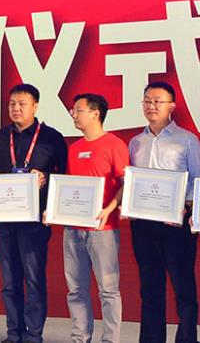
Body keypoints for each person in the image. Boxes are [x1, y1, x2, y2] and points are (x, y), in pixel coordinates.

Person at [0, 84, 68, 343]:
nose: (16, 108)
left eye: (22, 104)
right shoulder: (2, 136)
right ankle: (14, 333)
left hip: (34, 221)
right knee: (9, 281)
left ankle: (33, 335)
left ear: (35, 106)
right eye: (12, 104)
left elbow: (65, 176)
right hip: (4, 220)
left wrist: (46, 177)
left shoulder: (51, 137)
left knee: (33, 279)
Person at [127, 82, 200, 343]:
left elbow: (198, 180)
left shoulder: (187, 140)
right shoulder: (136, 142)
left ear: (172, 105)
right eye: (147, 101)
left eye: (158, 101)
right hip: (144, 225)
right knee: (150, 288)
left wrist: (186, 207)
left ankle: (187, 338)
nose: (152, 106)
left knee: (183, 288)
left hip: (176, 225)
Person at [61, 94, 127, 343]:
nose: (74, 114)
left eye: (78, 110)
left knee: (108, 290)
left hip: (103, 229)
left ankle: (110, 340)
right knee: (75, 289)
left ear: (95, 113)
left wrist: (109, 208)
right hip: (73, 229)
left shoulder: (114, 145)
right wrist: (55, 209)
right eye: (73, 110)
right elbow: (69, 188)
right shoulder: (74, 148)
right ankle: (80, 338)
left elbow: (126, 183)